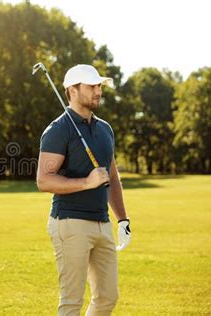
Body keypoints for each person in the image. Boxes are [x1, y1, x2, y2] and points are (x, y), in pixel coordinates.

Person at [36, 64, 131, 315]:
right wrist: (86, 183)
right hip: (70, 222)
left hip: (102, 222)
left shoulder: (104, 129)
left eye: (99, 86)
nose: (98, 91)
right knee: (71, 302)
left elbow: (111, 176)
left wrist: (121, 218)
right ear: (73, 91)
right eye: (92, 86)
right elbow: (44, 180)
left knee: (108, 297)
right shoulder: (57, 130)